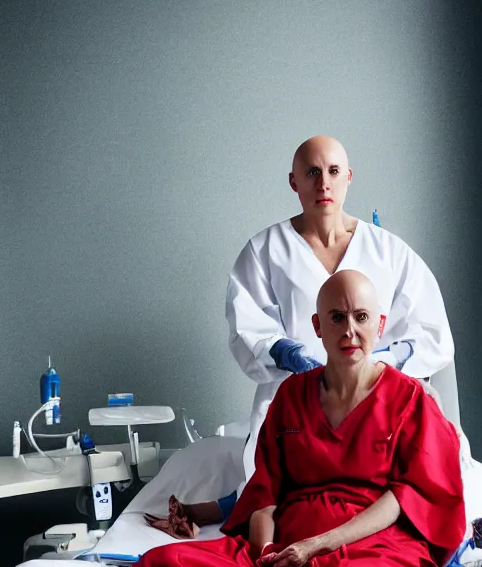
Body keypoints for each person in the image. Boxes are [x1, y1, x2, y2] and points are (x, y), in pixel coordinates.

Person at [130, 270, 465, 567]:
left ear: (380, 326)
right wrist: (267, 553)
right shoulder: (290, 396)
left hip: (376, 551)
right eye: (337, 317)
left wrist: (316, 547)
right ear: (317, 327)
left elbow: (404, 499)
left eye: (362, 317)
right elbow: (264, 495)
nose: (350, 330)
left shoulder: (410, 399)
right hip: (287, 548)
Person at [145, 135, 455, 538]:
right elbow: (247, 325)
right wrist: (287, 352)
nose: (323, 183)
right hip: (293, 397)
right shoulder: (264, 251)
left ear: (348, 177)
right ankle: (227, 510)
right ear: (294, 182)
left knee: (410, 466)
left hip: (374, 398)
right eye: (311, 173)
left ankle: (217, 510)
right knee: (276, 473)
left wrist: (386, 362)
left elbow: (432, 330)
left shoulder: (388, 252)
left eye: (332, 172)